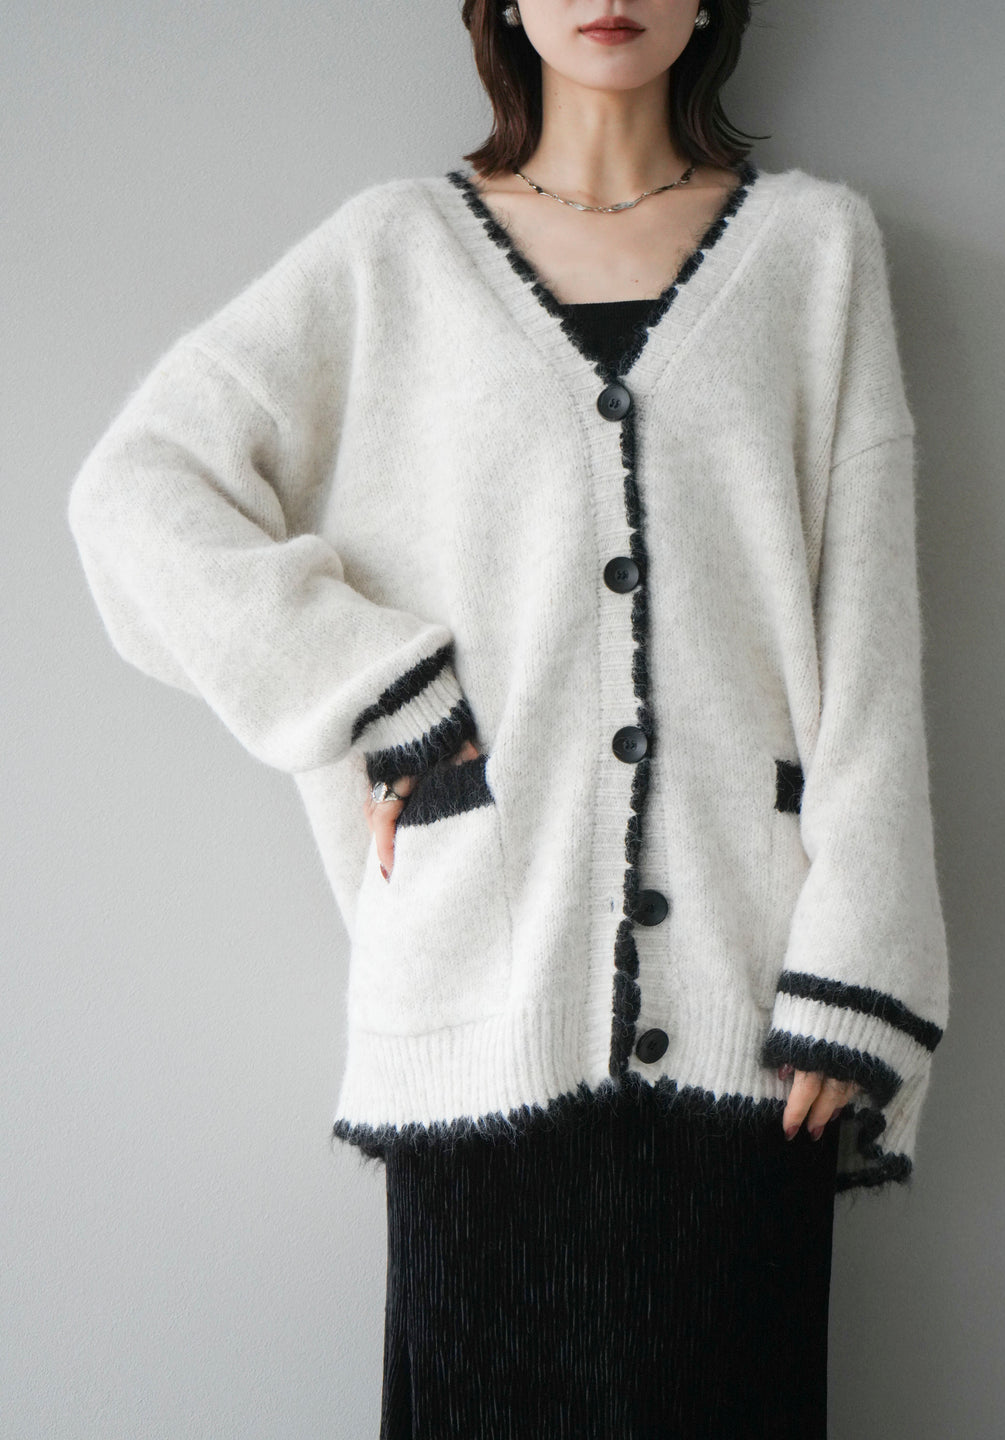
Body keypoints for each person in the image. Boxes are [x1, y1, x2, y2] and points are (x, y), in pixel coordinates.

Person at [67, 2, 951, 1435]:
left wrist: (863, 963)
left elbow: (872, 633)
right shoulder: (391, 252)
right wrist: (378, 688)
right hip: (479, 998)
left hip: (751, 1011)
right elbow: (137, 496)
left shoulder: (813, 251)